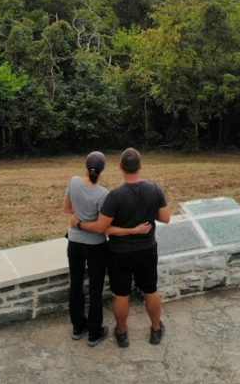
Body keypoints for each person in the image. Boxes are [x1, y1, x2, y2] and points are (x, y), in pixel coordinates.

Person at [72, 147, 170, 348]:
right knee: (151, 290)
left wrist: (79, 224)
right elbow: (165, 218)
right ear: (140, 166)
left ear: (120, 167)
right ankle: (156, 329)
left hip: (119, 253)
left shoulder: (114, 196)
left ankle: (123, 333)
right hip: (147, 250)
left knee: (121, 294)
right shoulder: (155, 189)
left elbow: (103, 228)